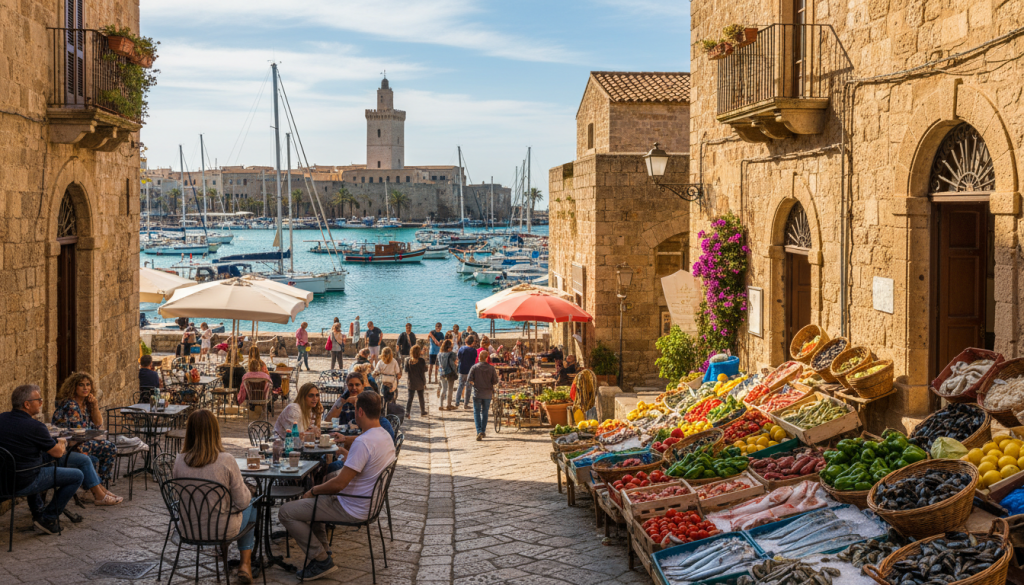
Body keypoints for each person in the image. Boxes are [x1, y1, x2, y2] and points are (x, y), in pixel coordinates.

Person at [279, 391, 395, 581]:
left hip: (352, 506)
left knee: (286, 511)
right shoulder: (384, 436)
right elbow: (359, 469)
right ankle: (323, 554)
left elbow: (340, 484)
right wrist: (344, 455)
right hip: (368, 503)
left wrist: (313, 490)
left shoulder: (364, 442)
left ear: (360, 412)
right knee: (319, 496)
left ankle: (321, 559)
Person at [173, 409, 258, 584]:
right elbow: (242, 501)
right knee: (253, 504)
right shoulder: (226, 460)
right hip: (222, 529)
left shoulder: (179, 460)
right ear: (215, 431)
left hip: (189, 529)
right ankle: (245, 564)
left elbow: (178, 496)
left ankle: (234, 558)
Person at [0, 385, 84, 535]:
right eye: (39, 400)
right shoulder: (35, 426)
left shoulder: (2, 419)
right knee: (77, 476)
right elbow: (58, 453)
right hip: (23, 482)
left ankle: (37, 510)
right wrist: (62, 440)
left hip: (3, 478)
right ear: (27, 404)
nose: (41, 403)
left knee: (40, 458)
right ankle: (47, 517)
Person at [51, 373, 122, 503]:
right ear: (74, 387)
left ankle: (98, 488)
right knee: (89, 448)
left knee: (110, 448)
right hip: (66, 445)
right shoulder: (71, 404)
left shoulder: (86, 404)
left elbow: (98, 424)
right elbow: (80, 429)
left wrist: (94, 405)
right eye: (81, 385)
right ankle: (96, 491)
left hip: (80, 442)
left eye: (88, 385)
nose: (85, 388)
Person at [323, 374, 394, 440]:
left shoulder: (368, 399)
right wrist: (342, 400)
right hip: (349, 436)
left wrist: (357, 403)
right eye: (351, 385)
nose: (354, 388)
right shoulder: (344, 401)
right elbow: (327, 421)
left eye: (357, 385)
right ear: (347, 386)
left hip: (365, 437)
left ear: (363, 386)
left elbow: (372, 421)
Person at [467, 350, 499, 441]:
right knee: (485, 412)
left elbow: (469, 379)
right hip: (487, 393)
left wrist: (475, 385)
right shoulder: (491, 368)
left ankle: (479, 431)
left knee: (476, 412)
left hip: (477, 393)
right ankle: (483, 431)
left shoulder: (474, 367)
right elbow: (495, 381)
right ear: (487, 357)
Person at [454, 336, 479, 409]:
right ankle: (466, 404)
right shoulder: (474, 350)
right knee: (468, 387)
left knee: (460, 385)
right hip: (470, 371)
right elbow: (474, 358)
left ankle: (457, 401)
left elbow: (459, 357)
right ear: (472, 342)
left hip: (462, 370)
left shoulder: (461, 348)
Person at [404, 345, 428, 418]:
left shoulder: (408, 360)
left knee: (410, 398)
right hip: (420, 381)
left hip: (411, 382)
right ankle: (422, 411)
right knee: (421, 397)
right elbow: (425, 370)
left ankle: (407, 412)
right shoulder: (421, 360)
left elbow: (406, 370)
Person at [437, 339, 458, 411]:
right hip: (450, 373)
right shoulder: (452, 354)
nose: (452, 349)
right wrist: (455, 371)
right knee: (450, 389)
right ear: (448, 348)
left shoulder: (439, 354)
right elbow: (453, 364)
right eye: (451, 347)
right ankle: (448, 405)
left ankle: (441, 405)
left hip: (442, 373)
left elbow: (439, 364)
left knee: (443, 389)